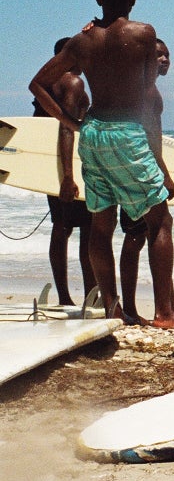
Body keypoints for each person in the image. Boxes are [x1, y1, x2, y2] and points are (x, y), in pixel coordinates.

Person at [28, 0, 174, 329]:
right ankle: (165, 311)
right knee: (159, 219)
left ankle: (111, 307)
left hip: (93, 132)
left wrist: (70, 123)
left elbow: (38, 83)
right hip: (127, 131)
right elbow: (147, 97)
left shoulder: (80, 42)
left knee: (101, 224)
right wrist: (159, 161)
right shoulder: (144, 34)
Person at [118, 39, 174, 327]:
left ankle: (151, 308)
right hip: (140, 169)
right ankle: (150, 310)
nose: (164, 59)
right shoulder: (147, 93)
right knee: (150, 232)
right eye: (158, 54)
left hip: (127, 167)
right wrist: (165, 174)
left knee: (141, 235)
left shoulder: (138, 88)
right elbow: (151, 138)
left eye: (167, 55)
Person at [35, 37, 95, 305]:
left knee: (61, 227)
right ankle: (91, 296)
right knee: (88, 229)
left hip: (54, 164)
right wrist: (69, 177)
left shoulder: (48, 86)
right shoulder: (73, 82)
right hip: (71, 167)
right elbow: (66, 127)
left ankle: (65, 297)